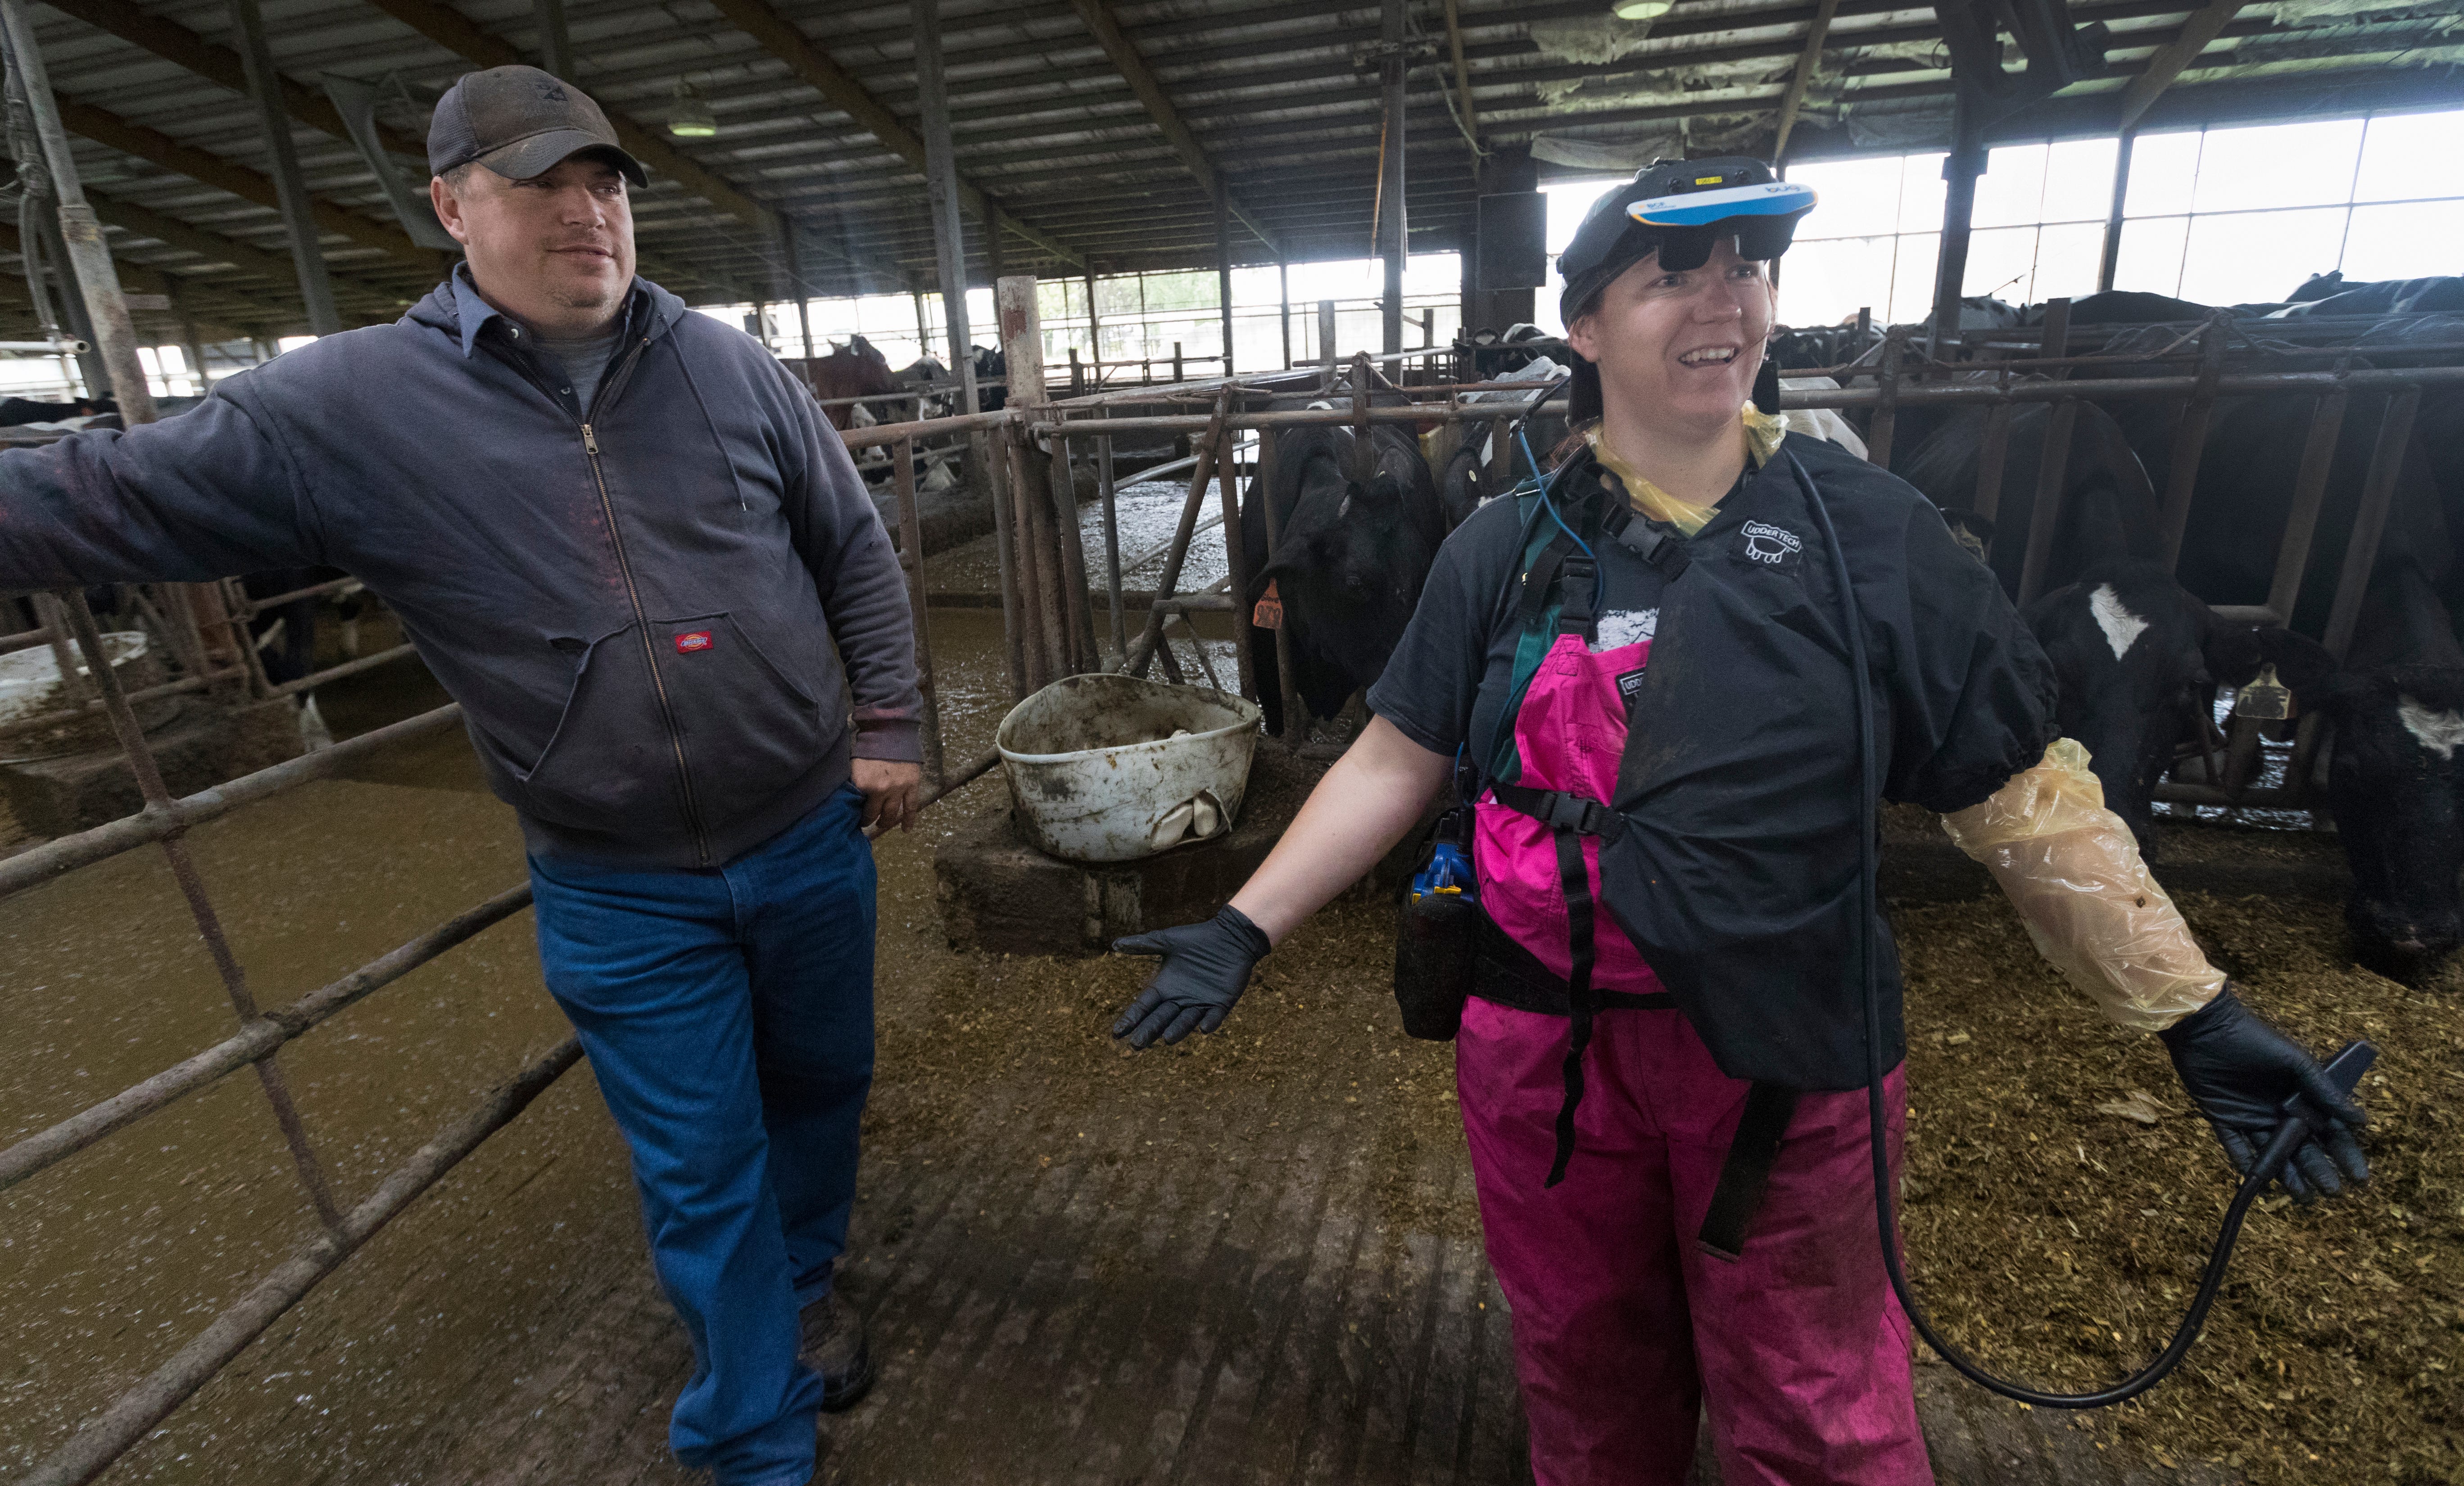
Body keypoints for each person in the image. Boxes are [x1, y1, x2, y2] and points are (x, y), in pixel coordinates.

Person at [1109, 158, 2370, 1486]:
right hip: (1547, 1059)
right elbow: (1397, 750)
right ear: (1586, 327)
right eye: (1675, 273)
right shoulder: (1504, 546)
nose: (1726, 299)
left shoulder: (1870, 536)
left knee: (1817, 1415)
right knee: (1588, 1392)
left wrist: (2195, 1009)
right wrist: (1249, 927)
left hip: (1787, 1066)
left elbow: (2023, 800)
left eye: (1749, 267)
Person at [0, 67, 913, 1486]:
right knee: (702, 1165)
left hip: (807, 827)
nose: (586, 213)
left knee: (824, 1081)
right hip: (621, 884)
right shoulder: (356, 404)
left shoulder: (727, 363)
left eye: (604, 183)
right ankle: (755, 1440)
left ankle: (800, 1287)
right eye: (540, 184)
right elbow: (104, 493)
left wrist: (895, 723)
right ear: (448, 205)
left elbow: (851, 544)